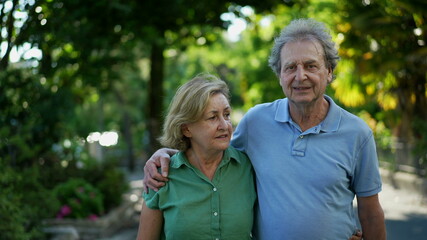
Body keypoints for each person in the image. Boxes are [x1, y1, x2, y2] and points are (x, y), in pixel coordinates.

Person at [144, 18, 384, 239]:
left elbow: (371, 213)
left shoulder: (357, 134)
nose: (300, 76)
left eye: (311, 66)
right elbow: (213, 152)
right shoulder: (256, 121)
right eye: (290, 67)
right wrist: (166, 154)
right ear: (279, 75)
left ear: (329, 72)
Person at [136, 74, 257, 240]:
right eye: (212, 117)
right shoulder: (161, 176)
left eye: (227, 114)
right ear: (186, 129)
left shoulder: (248, 166)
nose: (224, 125)